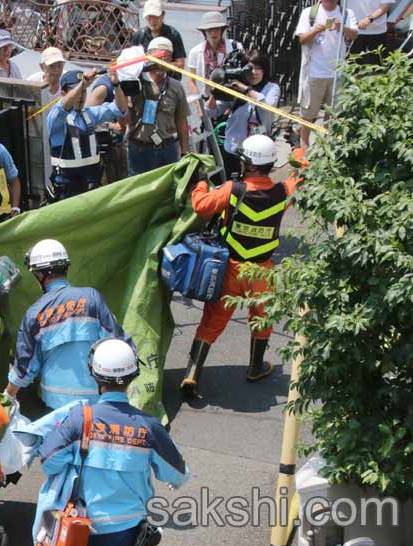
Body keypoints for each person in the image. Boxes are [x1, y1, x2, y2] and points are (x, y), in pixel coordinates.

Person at [35, 338, 188, 546]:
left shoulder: (79, 420)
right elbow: (178, 474)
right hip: (126, 533)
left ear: (94, 374)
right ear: (133, 375)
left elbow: (48, 462)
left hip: (84, 528)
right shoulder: (148, 428)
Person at [180, 135, 307, 406]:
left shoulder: (232, 189)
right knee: (261, 318)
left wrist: (201, 182)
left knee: (212, 321)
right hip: (262, 273)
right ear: (271, 163)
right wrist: (297, 147)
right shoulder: (284, 192)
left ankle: (191, 375)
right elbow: (303, 173)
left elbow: (200, 206)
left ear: (247, 164)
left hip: (231, 270)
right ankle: (255, 367)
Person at [5, 239, 132, 411]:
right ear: (65, 267)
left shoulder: (35, 314)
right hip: (96, 399)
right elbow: (118, 343)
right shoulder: (92, 299)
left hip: (56, 405)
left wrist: (8, 395)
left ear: (40, 275)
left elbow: (25, 368)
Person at [46, 68, 128, 201]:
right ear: (63, 93)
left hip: (92, 191)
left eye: (84, 91)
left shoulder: (89, 114)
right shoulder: (56, 118)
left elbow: (120, 108)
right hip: (68, 195)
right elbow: (63, 107)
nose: (81, 96)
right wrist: (83, 84)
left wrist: (116, 85)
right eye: (77, 91)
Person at [204, 50, 280, 178]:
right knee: (233, 190)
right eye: (250, 68)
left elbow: (267, 106)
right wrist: (214, 91)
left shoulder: (271, 88)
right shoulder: (234, 87)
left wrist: (245, 89)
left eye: (258, 68)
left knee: (254, 190)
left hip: (258, 152)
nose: (254, 73)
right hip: (234, 150)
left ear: (264, 70)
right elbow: (212, 112)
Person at [295, 0, 358, 149]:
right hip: (314, 71)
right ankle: (304, 146)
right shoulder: (309, 13)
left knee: (333, 114)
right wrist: (315, 30)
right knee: (308, 113)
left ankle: (327, 145)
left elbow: (354, 35)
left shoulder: (346, 13)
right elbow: (302, 39)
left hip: (337, 72)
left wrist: (343, 27)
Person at [125, 37, 190, 176]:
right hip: (139, 149)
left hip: (167, 149)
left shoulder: (176, 87)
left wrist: (185, 151)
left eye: (166, 58)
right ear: (148, 57)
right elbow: (123, 111)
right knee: (139, 192)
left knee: (168, 191)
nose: (162, 62)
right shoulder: (135, 82)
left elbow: (181, 120)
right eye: (158, 57)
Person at [85, 68, 129, 185]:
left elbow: (123, 110)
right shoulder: (103, 88)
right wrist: (110, 125)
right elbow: (86, 119)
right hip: (103, 145)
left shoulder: (129, 83)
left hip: (119, 143)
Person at [185, 11, 245, 97]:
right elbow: (191, 81)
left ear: (222, 30)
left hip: (231, 99)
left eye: (217, 29)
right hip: (206, 99)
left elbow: (243, 77)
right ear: (204, 32)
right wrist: (198, 104)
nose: (213, 33)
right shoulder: (195, 52)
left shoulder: (236, 47)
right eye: (209, 30)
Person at [130, 0, 187, 78]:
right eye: (149, 17)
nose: (152, 21)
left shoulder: (173, 34)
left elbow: (181, 64)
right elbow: (131, 61)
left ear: (163, 15)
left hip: (169, 81)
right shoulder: (139, 35)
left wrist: (163, 65)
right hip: (145, 81)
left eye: (155, 16)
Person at [350, 0, 395, 65]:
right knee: (352, 67)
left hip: (377, 32)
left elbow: (386, 6)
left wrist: (369, 19)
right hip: (353, 31)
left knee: (377, 67)